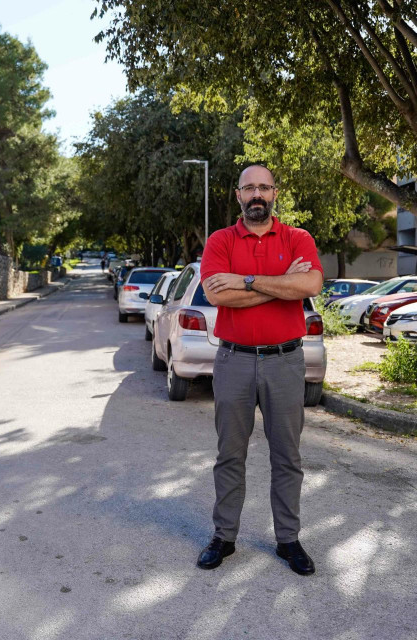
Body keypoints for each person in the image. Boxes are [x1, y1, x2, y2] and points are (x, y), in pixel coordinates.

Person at [198, 164, 323, 576]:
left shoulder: (297, 238)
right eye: (249, 187)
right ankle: (224, 536)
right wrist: (277, 283)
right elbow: (219, 296)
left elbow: (309, 287)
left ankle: (288, 540)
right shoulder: (220, 240)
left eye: (264, 187)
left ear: (274, 193)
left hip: (286, 361)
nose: (257, 194)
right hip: (233, 360)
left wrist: (246, 281)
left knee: (287, 456)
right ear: (237, 195)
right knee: (229, 455)